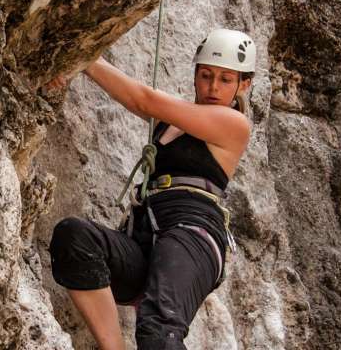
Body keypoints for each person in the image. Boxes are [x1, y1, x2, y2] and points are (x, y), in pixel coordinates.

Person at [44, 29, 256, 349]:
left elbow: (145, 98)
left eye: (226, 79)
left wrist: (83, 56)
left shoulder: (234, 124)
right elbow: (131, 98)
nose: (213, 87)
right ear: (195, 75)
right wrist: (79, 62)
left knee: (158, 328)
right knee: (75, 237)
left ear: (245, 84)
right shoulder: (171, 120)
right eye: (206, 75)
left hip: (192, 231)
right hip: (147, 234)